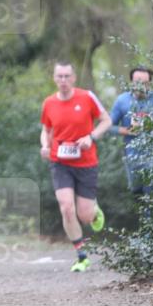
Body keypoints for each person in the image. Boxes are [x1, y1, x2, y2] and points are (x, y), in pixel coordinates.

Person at [40, 62, 112, 272]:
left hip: (86, 163)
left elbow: (106, 121)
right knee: (66, 207)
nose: (63, 80)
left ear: (73, 78)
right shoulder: (49, 103)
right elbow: (46, 130)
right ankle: (81, 255)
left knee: (85, 216)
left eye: (67, 76)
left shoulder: (87, 97)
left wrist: (91, 137)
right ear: (54, 78)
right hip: (60, 162)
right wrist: (45, 145)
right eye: (59, 76)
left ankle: (94, 210)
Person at [110, 66, 153, 196]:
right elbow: (109, 126)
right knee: (137, 192)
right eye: (137, 82)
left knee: (152, 191)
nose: (140, 87)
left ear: (149, 84)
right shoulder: (122, 101)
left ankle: (152, 216)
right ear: (131, 82)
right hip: (132, 156)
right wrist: (127, 130)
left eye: (144, 83)